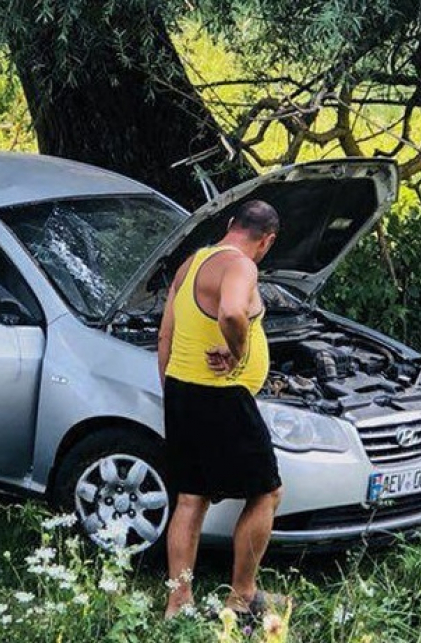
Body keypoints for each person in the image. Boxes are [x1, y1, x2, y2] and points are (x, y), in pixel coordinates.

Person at [157, 199, 288, 619]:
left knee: (191, 498)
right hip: (221, 396)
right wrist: (238, 350)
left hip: (181, 389)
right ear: (266, 241)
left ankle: (178, 603)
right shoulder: (242, 266)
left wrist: (173, 391)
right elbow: (232, 311)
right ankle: (242, 597)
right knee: (267, 492)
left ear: (231, 224)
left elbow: (165, 339)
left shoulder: (191, 263)